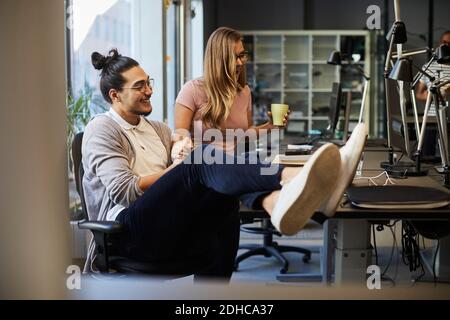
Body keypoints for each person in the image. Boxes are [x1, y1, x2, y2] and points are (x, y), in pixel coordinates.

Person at [81, 49, 340, 280]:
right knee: (203, 159)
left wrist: (183, 154)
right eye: (139, 86)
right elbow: (124, 191)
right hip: (126, 234)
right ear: (114, 95)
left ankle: (284, 202)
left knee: (221, 190)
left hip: (165, 223)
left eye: (149, 82)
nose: (149, 90)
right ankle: (294, 176)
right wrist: (183, 166)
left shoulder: (157, 128)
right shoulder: (102, 128)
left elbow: (182, 170)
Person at [174, 27, 289, 157]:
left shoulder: (244, 92)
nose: (240, 63)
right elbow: (180, 140)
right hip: (202, 167)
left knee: (280, 169)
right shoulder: (192, 90)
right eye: (233, 58)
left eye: (241, 56)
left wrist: (271, 126)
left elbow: (245, 135)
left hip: (232, 164)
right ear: (218, 59)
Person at [416, 30, 450, 102]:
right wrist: (429, 96)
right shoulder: (428, 67)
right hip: (432, 113)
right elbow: (419, 95)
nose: (447, 46)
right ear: (440, 43)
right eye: (444, 42)